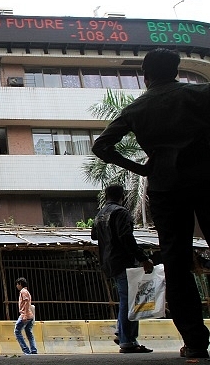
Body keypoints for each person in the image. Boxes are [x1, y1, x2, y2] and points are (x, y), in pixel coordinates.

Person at [92, 48, 210, 358]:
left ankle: (196, 342)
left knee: (175, 260)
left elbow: (101, 145)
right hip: (205, 178)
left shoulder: (137, 109)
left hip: (165, 187)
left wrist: (142, 169)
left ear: (145, 75)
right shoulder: (200, 94)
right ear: (175, 69)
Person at [91, 185, 154, 354]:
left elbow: (94, 236)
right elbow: (126, 237)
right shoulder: (121, 212)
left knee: (125, 299)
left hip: (108, 262)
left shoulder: (100, 214)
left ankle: (122, 333)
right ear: (123, 196)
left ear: (106, 196)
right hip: (123, 261)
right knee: (130, 301)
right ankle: (128, 341)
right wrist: (143, 258)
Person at [14, 277, 37, 355]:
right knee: (29, 332)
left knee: (17, 331)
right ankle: (33, 350)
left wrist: (24, 315)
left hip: (25, 314)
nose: (17, 286)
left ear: (20, 284)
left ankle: (26, 351)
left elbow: (27, 302)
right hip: (30, 315)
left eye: (17, 284)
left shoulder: (23, 291)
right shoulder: (26, 291)